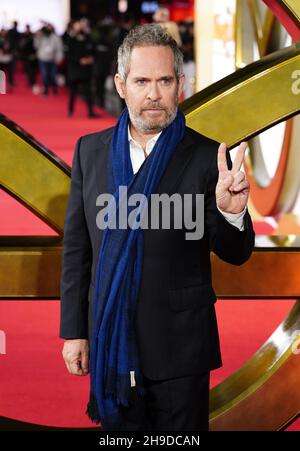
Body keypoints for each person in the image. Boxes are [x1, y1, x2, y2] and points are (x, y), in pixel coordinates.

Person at [60, 24, 255, 431]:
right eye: (142, 81)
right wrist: (74, 332)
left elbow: (237, 253)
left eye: (164, 81)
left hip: (181, 348)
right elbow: (78, 251)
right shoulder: (90, 152)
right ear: (120, 84)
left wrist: (231, 213)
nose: (153, 94)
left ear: (180, 84)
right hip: (110, 340)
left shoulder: (207, 157)